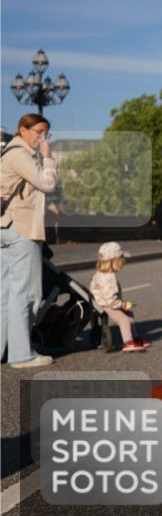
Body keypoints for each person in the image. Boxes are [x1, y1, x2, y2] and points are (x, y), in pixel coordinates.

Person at [0, 113, 57, 368]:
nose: (42, 137)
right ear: (22, 129)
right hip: (20, 229)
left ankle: (4, 350)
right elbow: (47, 184)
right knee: (28, 294)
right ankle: (21, 354)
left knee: (6, 294)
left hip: (6, 228)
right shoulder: (20, 154)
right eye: (38, 132)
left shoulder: (9, 153)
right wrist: (49, 157)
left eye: (45, 133)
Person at [90, 242, 149, 352]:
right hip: (105, 304)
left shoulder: (101, 274)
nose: (123, 263)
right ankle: (128, 342)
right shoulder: (108, 278)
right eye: (121, 261)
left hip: (106, 301)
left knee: (129, 314)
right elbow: (111, 300)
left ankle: (134, 338)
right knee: (124, 319)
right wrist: (122, 304)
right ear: (114, 261)